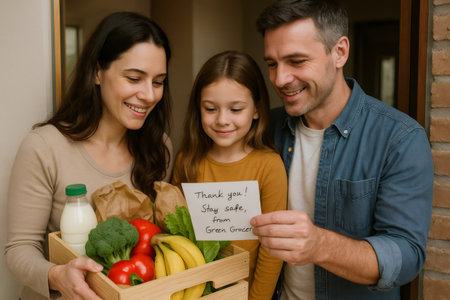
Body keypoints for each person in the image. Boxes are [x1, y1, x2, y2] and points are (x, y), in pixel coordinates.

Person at [250, 0, 434, 299]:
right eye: (272, 63)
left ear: (340, 52)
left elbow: (406, 257)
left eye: (296, 61)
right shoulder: (265, 128)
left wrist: (319, 245)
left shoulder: (400, 138)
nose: (279, 79)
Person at [5, 12, 173, 300]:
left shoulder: (160, 148)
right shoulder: (44, 147)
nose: (148, 95)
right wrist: (58, 276)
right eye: (134, 78)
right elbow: (19, 249)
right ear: (97, 72)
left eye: (158, 82)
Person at [171, 50, 287, 299]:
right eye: (211, 109)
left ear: (256, 110)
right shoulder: (187, 161)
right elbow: (174, 234)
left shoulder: (269, 165)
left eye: (235, 109)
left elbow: (271, 251)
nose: (222, 120)